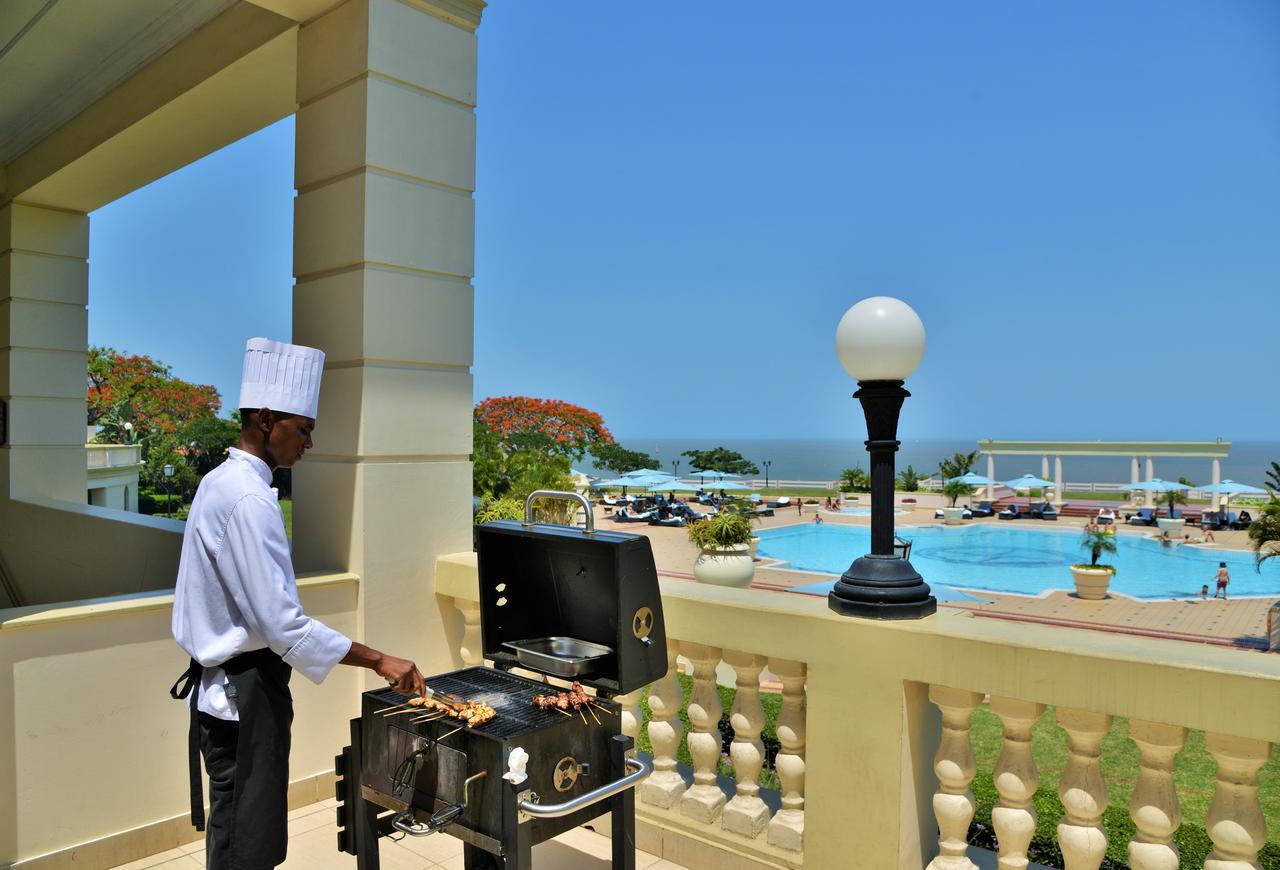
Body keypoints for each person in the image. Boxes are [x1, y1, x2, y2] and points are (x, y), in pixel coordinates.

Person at [171, 339, 425, 869]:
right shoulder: (248, 498)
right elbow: (282, 626)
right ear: (266, 420)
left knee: (241, 832)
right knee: (247, 846)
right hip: (242, 699)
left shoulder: (221, 482)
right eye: (302, 429)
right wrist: (380, 659)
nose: (308, 442)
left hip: (233, 693)